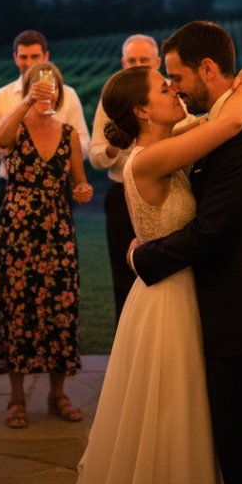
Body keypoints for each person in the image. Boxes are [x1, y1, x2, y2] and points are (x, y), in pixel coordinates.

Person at [68, 63, 242, 484]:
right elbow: (232, 120)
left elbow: (216, 116)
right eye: (163, 87)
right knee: (172, 415)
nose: (174, 90)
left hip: (182, 289)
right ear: (141, 110)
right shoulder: (148, 158)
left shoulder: (168, 142)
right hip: (169, 300)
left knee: (183, 412)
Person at [131, 20, 242, 484]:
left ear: (208, 69)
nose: (175, 88)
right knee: (234, 441)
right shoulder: (225, 120)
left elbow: (210, 233)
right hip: (231, 308)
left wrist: (143, 258)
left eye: (177, 77)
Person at [0, 62, 94, 429]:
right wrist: (26, 102)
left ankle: (57, 394)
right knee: (18, 308)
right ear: (28, 89)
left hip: (57, 228)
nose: (48, 90)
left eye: (53, 85)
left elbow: (78, 182)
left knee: (61, 307)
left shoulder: (69, 134)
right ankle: (16, 399)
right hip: (17, 228)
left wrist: (83, 191)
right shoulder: (17, 128)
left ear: (60, 92)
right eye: (39, 85)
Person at [88, 34, 164, 321]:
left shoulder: (170, 97)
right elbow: (95, 156)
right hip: (121, 193)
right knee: (123, 275)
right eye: (132, 60)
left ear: (156, 62)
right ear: (123, 63)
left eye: (144, 60)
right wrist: (113, 146)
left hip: (162, 194)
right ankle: (127, 348)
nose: (137, 65)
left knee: (161, 273)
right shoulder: (111, 100)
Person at [0, 29, 90, 202]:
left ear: (46, 57)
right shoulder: (0, 96)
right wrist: (17, 148)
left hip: (58, 189)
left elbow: (84, 143)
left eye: (35, 56)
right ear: (15, 58)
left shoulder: (67, 94)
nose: (29, 63)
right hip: (13, 189)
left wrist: (57, 149)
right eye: (24, 57)